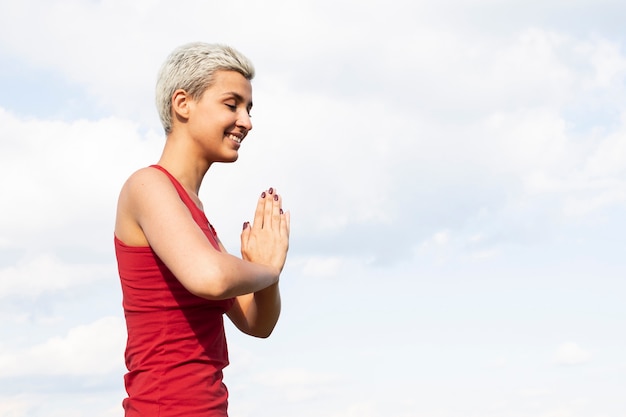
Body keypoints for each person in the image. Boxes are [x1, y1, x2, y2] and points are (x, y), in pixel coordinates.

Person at [114, 42, 290, 417]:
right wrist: (266, 269)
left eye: (248, 108)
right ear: (183, 104)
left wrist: (269, 277)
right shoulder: (148, 186)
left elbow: (257, 323)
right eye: (232, 104)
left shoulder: (195, 218)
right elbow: (210, 277)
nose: (246, 120)